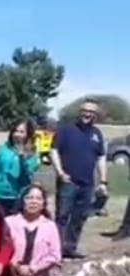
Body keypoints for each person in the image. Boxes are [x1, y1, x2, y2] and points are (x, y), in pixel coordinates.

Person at [50, 99, 108, 259]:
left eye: (92, 112)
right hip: (68, 182)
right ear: (80, 111)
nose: (88, 114)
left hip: (87, 184)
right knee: (62, 217)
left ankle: (70, 248)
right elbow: (54, 151)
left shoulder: (97, 134)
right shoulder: (65, 130)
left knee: (79, 217)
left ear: (96, 115)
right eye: (85, 110)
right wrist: (61, 173)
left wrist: (103, 181)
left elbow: (101, 157)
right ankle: (56, 250)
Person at [0, 120, 40, 216]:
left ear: (28, 134)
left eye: (21, 132)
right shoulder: (2, 148)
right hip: (0, 195)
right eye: (15, 131)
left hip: (18, 197)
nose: (17, 134)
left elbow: (27, 176)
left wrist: (22, 159)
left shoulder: (32, 154)